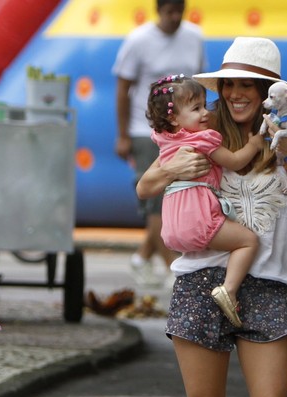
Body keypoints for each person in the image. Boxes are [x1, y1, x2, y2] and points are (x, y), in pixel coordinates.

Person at [137, 36, 287, 397]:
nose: (236, 94)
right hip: (199, 280)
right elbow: (145, 187)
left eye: (247, 85)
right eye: (229, 84)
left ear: (267, 92)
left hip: (268, 283)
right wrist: (171, 168)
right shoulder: (196, 131)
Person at [147, 73, 264, 327]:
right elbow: (234, 161)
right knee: (248, 241)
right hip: (197, 218)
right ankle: (229, 290)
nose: (204, 114)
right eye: (196, 108)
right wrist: (254, 145)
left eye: (204, 105)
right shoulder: (201, 139)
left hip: (174, 227)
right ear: (174, 118)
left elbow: (146, 186)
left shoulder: (165, 140)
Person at [112, 0, 205, 287]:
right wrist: (124, 134)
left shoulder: (194, 37)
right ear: (158, 11)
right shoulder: (139, 40)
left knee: (179, 194)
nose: (175, 17)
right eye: (169, 12)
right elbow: (123, 89)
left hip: (186, 129)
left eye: (180, 11)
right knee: (156, 199)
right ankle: (171, 266)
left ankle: (142, 256)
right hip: (148, 130)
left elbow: (199, 82)